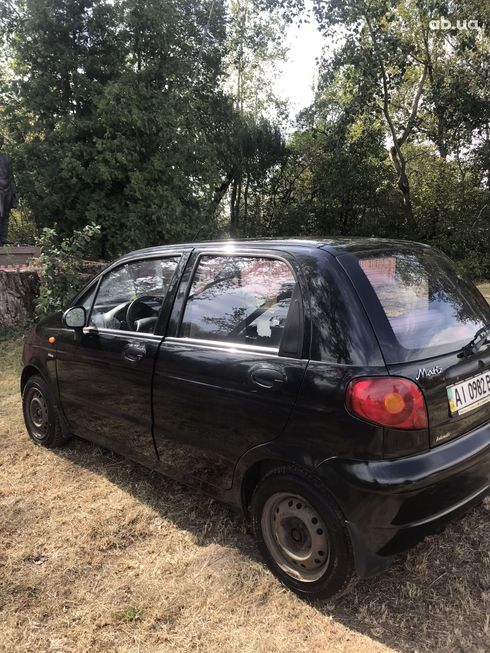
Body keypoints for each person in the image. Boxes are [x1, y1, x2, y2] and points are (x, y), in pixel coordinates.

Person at [0, 135, 18, 246]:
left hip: (7, 189)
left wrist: (15, 192)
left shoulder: (6, 157)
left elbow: (11, 176)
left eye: (1, 141)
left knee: (6, 214)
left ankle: (3, 237)